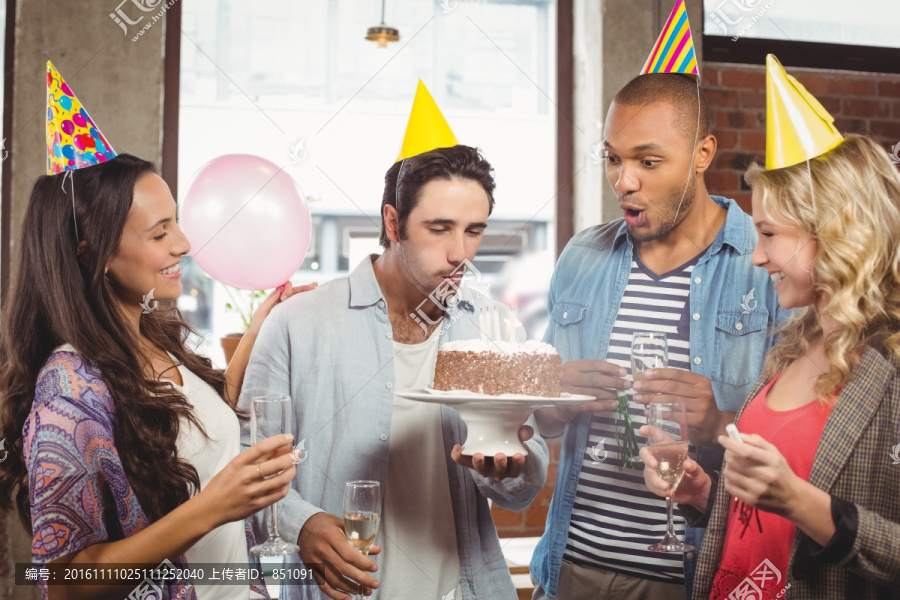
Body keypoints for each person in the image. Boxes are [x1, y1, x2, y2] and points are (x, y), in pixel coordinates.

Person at [238, 81, 549, 600]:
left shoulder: (491, 325)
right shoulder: (301, 323)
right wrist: (303, 525)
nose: (459, 253)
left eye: (474, 231)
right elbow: (248, 464)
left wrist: (510, 468)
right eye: (439, 228)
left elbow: (525, 480)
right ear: (393, 223)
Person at [529, 12, 789, 597]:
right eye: (612, 158)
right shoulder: (582, 257)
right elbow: (539, 422)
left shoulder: (766, 265)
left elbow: (810, 453)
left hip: (693, 571)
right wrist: (555, 396)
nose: (623, 181)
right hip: (573, 566)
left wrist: (720, 422)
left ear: (702, 153)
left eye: (648, 161)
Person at [642, 56, 900, 600]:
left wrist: (799, 500)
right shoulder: (792, 344)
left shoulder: (892, 364)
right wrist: (706, 495)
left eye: (769, 234)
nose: (756, 258)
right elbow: (764, 524)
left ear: (834, 232)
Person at [0, 153, 308, 600]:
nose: (183, 244)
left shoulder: (151, 331)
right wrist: (213, 508)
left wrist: (258, 329)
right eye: (160, 232)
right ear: (93, 253)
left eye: (177, 224)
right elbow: (65, 583)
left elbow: (193, 420)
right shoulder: (69, 390)